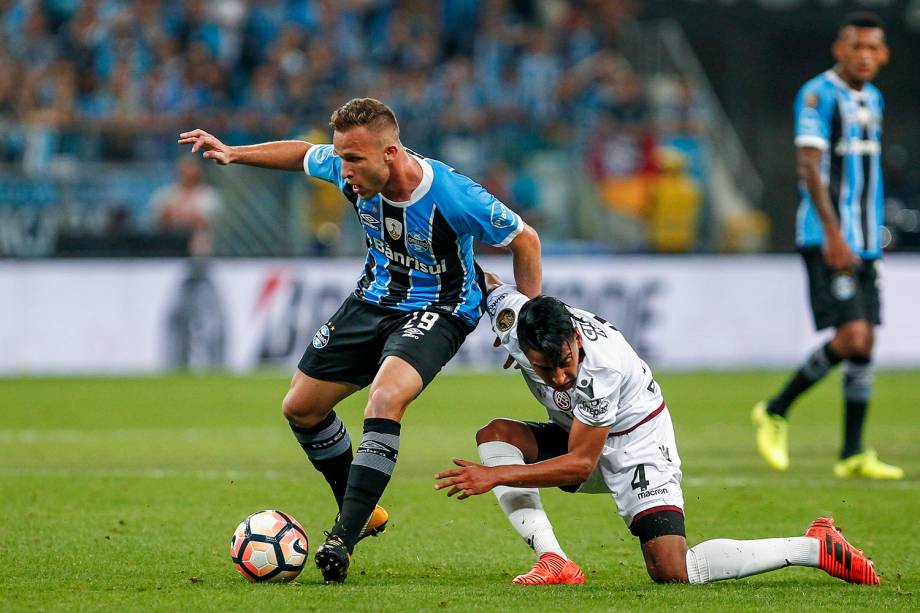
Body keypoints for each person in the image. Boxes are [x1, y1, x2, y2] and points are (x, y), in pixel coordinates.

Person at [178, 98, 542, 583]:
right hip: (372, 300)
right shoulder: (349, 166)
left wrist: (527, 324)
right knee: (301, 407)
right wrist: (233, 153)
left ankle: (342, 538)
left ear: (390, 154)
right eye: (341, 157)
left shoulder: (453, 195)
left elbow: (526, 240)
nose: (343, 170)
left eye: (354, 160)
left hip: (441, 308)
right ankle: (364, 509)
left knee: (385, 397)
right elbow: (303, 155)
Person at [434, 272, 880, 587]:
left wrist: (495, 476)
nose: (558, 378)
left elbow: (577, 466)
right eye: (543, 368)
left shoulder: (600, 367)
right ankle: (554, 560)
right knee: (497, 434)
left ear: (574, 337)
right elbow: (482, 278)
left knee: (672, 570)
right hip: (579, 432)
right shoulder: (517, 322)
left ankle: (813, 547)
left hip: (636, 443)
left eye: (564, 364)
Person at [751, 12, 902, 480]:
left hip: (864, 241)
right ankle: (775, 409)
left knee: (864, 343)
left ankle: (853, 452)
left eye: (871, 48)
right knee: (853, 336)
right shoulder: (817, 94)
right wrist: (835, 234)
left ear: (883, 55)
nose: (863, 55)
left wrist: (866, 234)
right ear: (839, 49)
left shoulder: (872, 98)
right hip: (827, 236)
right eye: (855, 46)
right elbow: (809, 168)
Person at [150, 155, 222, 257]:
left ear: (200, 171)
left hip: (198, 250)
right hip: (167, 248)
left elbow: (203, 221)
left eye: (192, 167)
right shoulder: (166, 193)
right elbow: (157, 221)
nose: (188, 172)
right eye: (185, 167)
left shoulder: (208, 195)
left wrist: (176, 215)